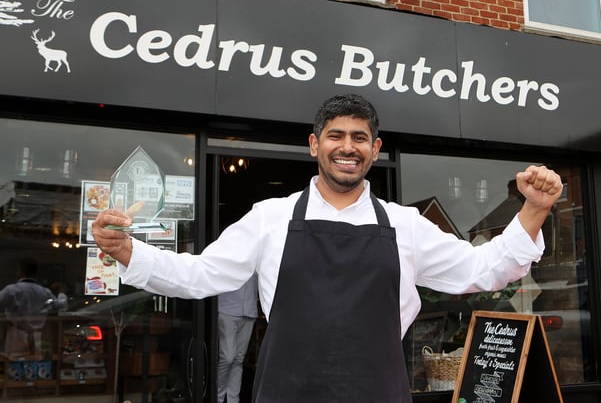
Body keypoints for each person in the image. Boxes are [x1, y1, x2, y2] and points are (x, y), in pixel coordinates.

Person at [91, 93, 563, 402]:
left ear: (375, 149)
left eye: (360, 138)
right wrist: (128, 249)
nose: (348, 146)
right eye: (336, 135)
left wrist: (534, 210)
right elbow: (200, 274)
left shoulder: (405, 225)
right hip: (287, 392)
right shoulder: (270, 216)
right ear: (315, 144)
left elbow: (482, 270)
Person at [0, 256, 64, 359]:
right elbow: (61, 305)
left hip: (16, 337)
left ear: (20, 270)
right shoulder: (45, 292)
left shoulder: (12, 290)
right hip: (38, 337)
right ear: (36, 272)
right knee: (35, 366)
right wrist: (62, 292)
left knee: (13, 366)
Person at [217, 274, 258, 403]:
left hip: (249, 308)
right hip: (227, 307)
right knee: (228, 357)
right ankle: (218, 396)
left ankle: (233, 399)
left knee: (239, 359)